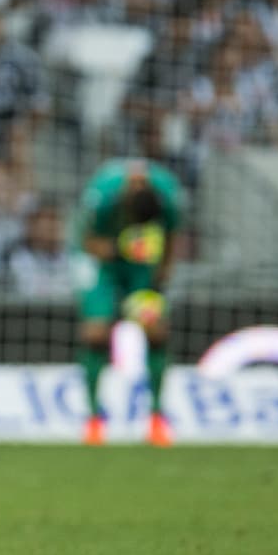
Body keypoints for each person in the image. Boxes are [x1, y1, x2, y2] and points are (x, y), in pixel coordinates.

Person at [72, 158, 183, 447]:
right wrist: (111, 249)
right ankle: (94, 420)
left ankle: (157, 419)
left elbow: (172, 237)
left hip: (141, 267)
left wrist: (161, 275)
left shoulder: (169, 195)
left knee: (156, 331)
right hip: (104, 267)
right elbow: (83, 240)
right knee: (96, 333)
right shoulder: (101, 194)